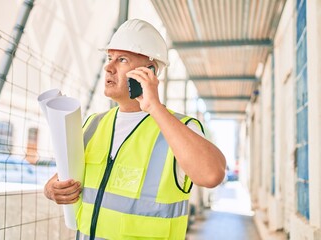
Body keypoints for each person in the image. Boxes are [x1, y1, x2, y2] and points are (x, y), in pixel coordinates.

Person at [44, 19, 226, 240]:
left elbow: (211, 174)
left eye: (122, 59)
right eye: (109, 58)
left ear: (148, 71)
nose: (108, 67)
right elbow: (63, 178)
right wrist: (51, 189)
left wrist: (153, 107)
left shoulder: (180, 129)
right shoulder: (94, 124)